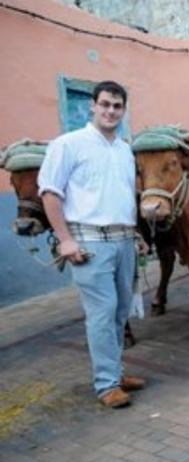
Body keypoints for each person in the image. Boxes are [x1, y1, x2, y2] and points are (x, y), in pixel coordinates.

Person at [37, 80, 144, 408]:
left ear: (123, 110)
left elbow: (124, 195)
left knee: (120, 312)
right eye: (106, 104)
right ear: (92, 107)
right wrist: (66, 241)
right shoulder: (68, 144)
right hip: (89, 243)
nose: (111, 111)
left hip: (123, 241)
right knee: (102, 312)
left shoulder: (124, 149)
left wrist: (135, 232)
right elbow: (50, 193)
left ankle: (115, 372)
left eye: (117, 106)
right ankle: (106, 385)